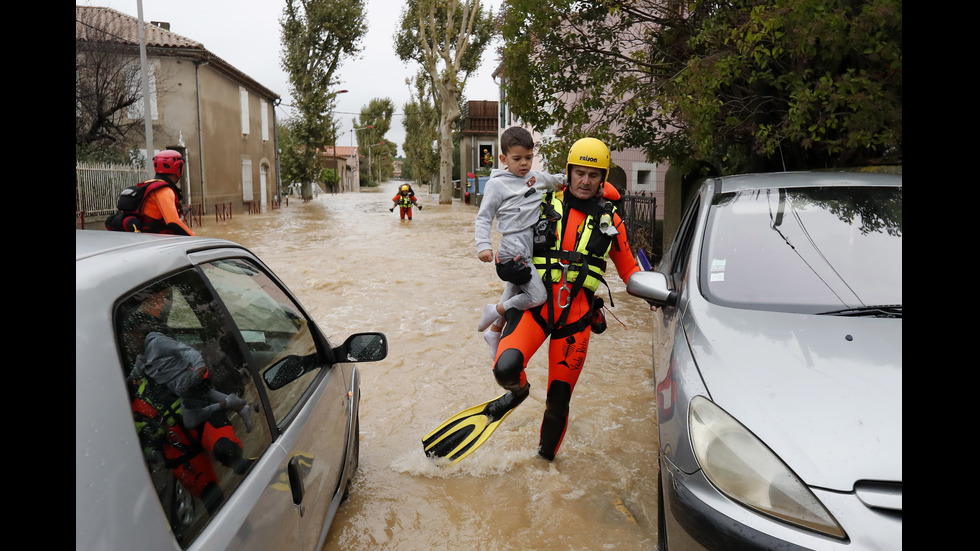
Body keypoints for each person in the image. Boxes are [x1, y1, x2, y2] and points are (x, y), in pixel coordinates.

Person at [422, 137, 642, 464]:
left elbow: (631, 271)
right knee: (505, 368)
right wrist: (491, 248)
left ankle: (544, 466)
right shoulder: (540, 200)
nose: (585, 181)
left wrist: (657, 295)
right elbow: (502, 210)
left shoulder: (612, 222)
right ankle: (519, 393)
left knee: (558, 401)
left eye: (593, 175)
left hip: (576, 320)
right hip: (535, 307)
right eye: (579, 173)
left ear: (603, 178)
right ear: (568, 172)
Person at [124, 312, 255, 481]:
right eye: (126, 341)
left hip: (198, 407)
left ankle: (232, 404)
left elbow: (186, 351)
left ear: (138, 333)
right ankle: (235, 404)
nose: (129, 344)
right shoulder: (138, 365)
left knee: (230, 454)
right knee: (210, 496)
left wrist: (199, 367)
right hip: (176, 442)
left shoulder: (157, 344)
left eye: (130, 338)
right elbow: (132, 377)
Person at [474, 126, 565, 360]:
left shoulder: (534, 178)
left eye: (528, 157)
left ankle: (494, 331)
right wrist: (483, 245)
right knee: (537, 296)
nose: (524, 163)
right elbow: (484, 216)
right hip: (512, 247)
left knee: (514, 288)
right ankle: (495, 310)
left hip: (529, 245)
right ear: (504, 159)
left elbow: (556, 182)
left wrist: (573, 178)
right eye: (517, 159)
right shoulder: (496, 184)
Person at [128, 150, 196, 235]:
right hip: (157, 241)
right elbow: (173, 222)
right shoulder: (164, 190)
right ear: (179, 168)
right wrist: (196, 239)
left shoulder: (147, 184)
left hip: (146, 239)